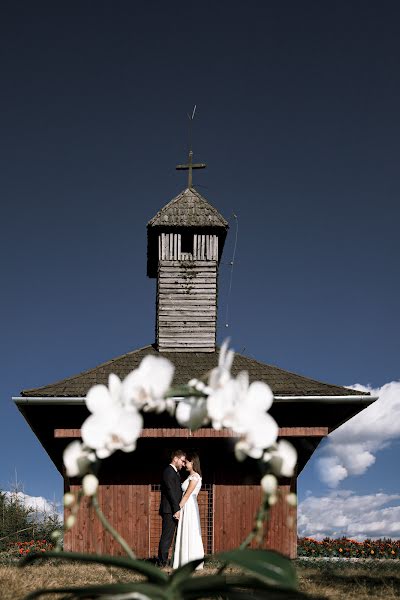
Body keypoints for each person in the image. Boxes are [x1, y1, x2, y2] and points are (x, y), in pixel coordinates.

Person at [172, 450, 204, 569]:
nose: (185, 464)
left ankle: (191, 560)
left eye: (187, 462)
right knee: (186, 531)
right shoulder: (190, 476)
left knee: (191, 531)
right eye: (184, 462)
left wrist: (177, 508)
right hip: (187, 505)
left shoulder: (195, 477)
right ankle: (183, 559)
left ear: (193, 462)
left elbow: (187, 494)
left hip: (189, 506)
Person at [158, 449, 186, 567]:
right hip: (170, 510)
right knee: (167, 537)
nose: (183, 464)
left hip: (172, 509)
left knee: (170, 536)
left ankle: (166, 561)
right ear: (175, 459)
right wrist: (176, 509)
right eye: (182, 461)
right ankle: (161, 563)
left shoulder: (174, 472)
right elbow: (170, 492)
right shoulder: (168, 472)